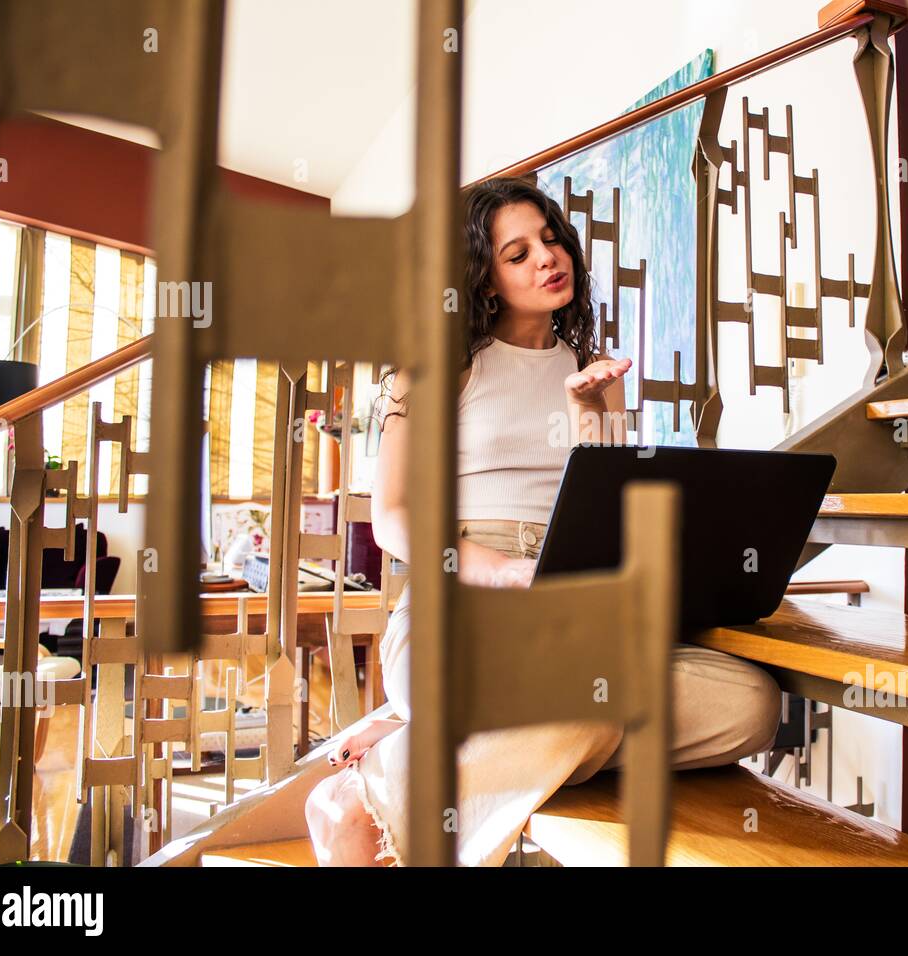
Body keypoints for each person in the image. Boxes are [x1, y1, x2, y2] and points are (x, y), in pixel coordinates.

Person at [304, 177, 781, 866]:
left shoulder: (594, 372)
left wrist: (593, 417)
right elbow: (394, 519)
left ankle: (433, 736)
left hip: (574, 605)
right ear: (485, 278)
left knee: (751, 703)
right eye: (517, 252)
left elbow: (614, 511)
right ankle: (361, 801)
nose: (547, 258)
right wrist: (501, 571)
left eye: (551, 239)